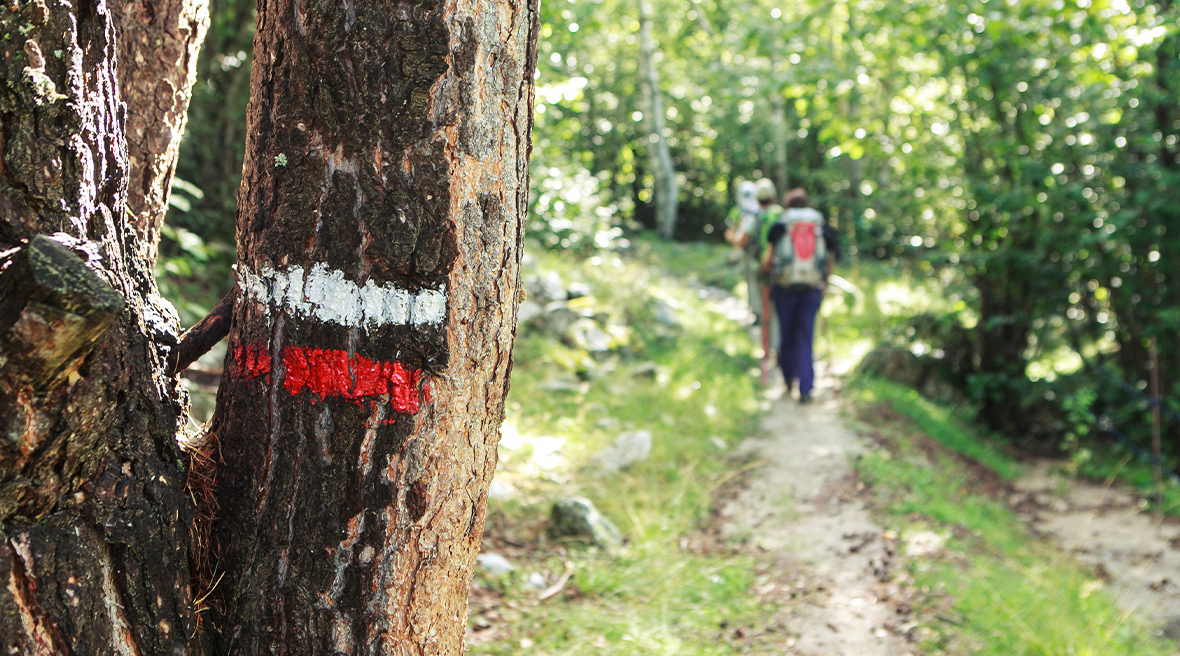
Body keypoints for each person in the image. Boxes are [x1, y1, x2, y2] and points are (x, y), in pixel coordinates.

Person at [761, 188, 838, 403]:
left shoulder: (780, 227)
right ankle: (806, 387)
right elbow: (829, 260)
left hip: (784, 288)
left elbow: (768, 260)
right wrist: (825, 283)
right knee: (806, 336)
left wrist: (766, 274)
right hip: (811, 289)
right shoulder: (820, 228)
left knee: (786, 334)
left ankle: (787, 379)